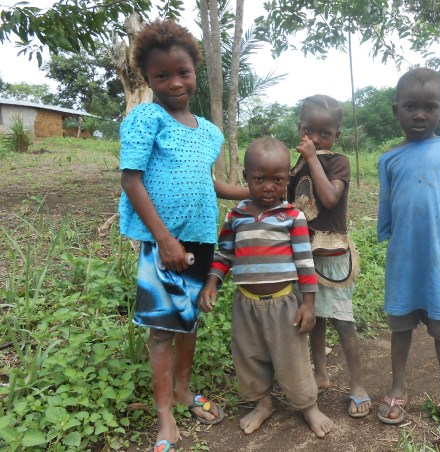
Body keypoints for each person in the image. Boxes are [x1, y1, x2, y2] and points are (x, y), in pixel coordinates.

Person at [118, 20, 247, 452]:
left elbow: (210, 183)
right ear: (147, 78)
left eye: (183, 72)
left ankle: (182, 391)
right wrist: (164, 240)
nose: (175, 83)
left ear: (195, 71)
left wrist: (256, 192)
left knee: (189, 320)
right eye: (162, 75)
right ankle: (165, 417)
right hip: (163, 242)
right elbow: (131, 180)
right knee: (161, 330)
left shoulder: (209, 132)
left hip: (200, 238)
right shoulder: (146, 119)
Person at [198, 137, 334, 438]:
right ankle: (262, 403)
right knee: (249, 356)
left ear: (287, 180)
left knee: (292, 358)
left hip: (284, 304)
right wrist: (212, 282)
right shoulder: (235, 216)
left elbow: (305, 263)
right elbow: (224, 254)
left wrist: (308, 304)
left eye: (278, 180)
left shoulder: (292, 217)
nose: (269, 187)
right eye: (260, 179)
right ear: (246, 177)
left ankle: (307, 405)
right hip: (245, 304)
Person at [376, 68, 440, 425]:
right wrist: (386, 233)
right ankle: (398, 386)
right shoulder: (388, 160)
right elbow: (387, 209)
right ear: (396, 110)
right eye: (410, 107)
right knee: (400, 328)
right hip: (404, 260)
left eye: (430, 107)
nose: (419, 115)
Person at [288, 95, 370, 418]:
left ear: (337, 134)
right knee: (315, 319)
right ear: (299, 128)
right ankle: (320, 374)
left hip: (332, 254)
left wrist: (312, 158)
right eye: (309, 130)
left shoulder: (338, 162)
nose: (316, 138)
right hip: (304, 254)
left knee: (342, 321)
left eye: (325, 133)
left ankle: (358, 385)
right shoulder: (295, 166)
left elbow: (330, 198)